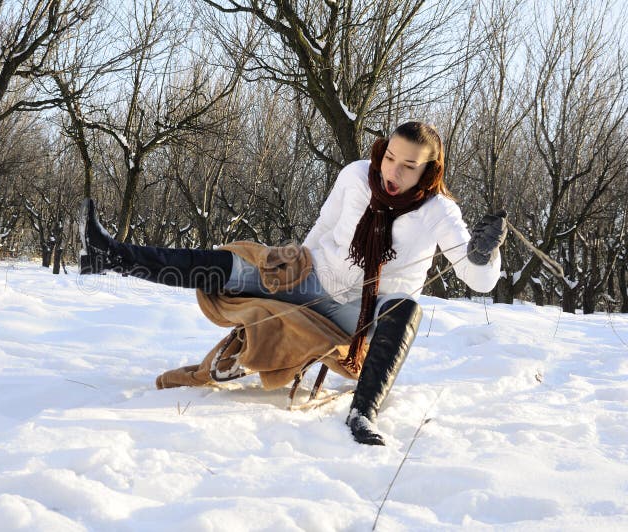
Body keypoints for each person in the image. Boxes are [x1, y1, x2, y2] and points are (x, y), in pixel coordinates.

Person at [79, 121, 507, 445]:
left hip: (359, 317)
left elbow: (478, 278)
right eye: (390, 156)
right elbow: (323, 228)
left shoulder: (440, 212)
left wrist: (486, 254)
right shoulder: (357, 175)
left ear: (430, 169)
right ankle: (110, 256)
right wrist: (293, 264)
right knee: (235, 264)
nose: (393, 169)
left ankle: (362, 415)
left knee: (406, 307)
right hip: (314, 281)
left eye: (409, 165)